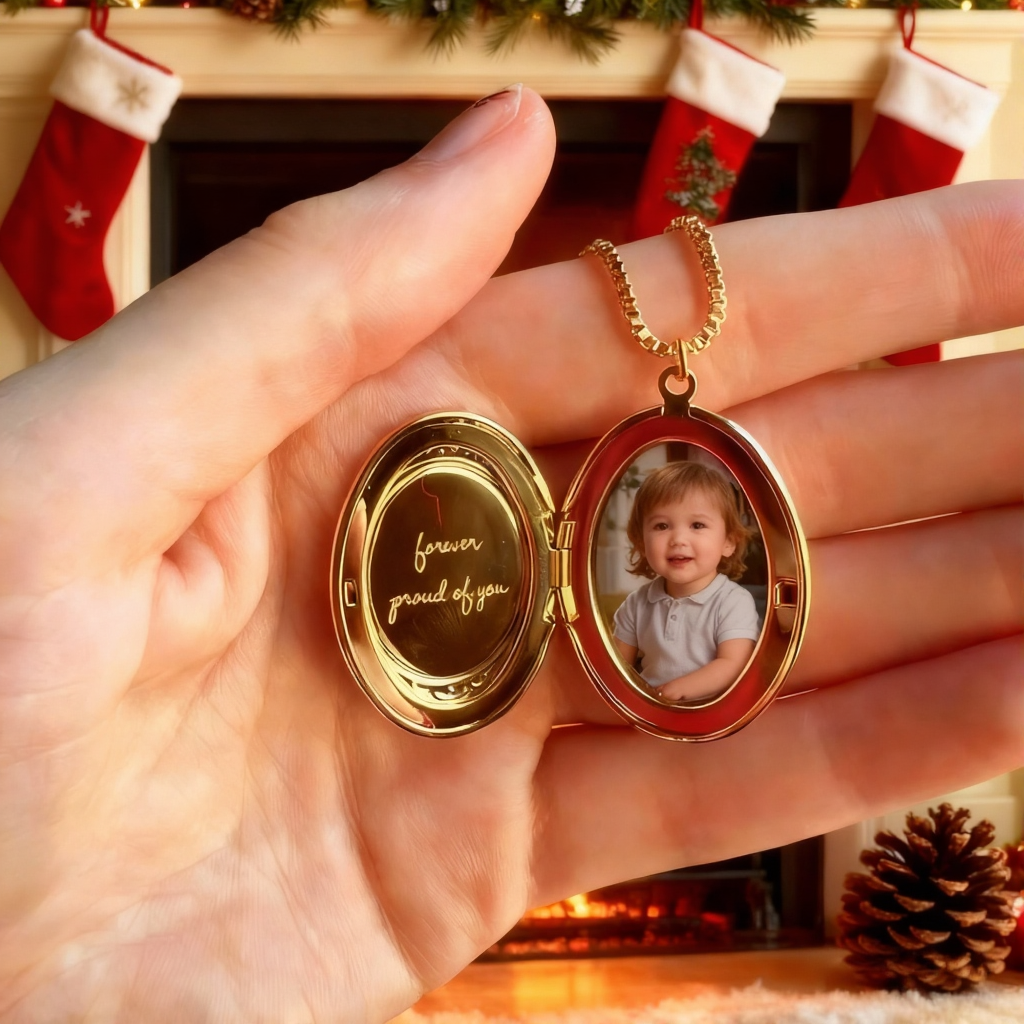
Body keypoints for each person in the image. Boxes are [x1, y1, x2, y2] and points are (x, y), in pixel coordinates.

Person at [0, 85, 1020, 1022]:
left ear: (735, 543)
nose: (676, 543)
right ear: (625, 537)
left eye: (700, 531)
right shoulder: (615, 614)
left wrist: (697, 672)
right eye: (659, 528)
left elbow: (717, 660)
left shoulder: (732, 616)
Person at [612, 461, 760, 701]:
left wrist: (677, 690)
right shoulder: (636, 604)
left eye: (697, 525)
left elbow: (734, 664)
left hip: (711, 713)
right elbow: (616, 669)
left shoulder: (733, 601)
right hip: (650, 709)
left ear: (728, 542)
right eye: (662, 526)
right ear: (641, 541)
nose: (678, 539)